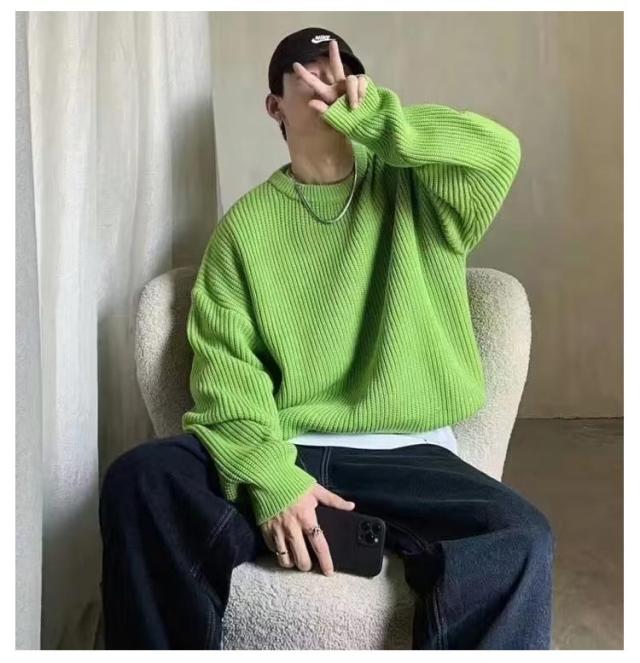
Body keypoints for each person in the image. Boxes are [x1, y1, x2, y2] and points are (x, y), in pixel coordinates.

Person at [99, 27, 555, 650]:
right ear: (275, 107)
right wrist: (272, 479)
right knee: (141, 478)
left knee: (520, 538)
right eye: (306, 72)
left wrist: (384, 122)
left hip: (408, 452)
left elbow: (497, 152)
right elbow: (227, 371)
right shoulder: (245, 228)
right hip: (289, 445)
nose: (326, 81)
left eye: (340, 71)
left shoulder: (419, 192)